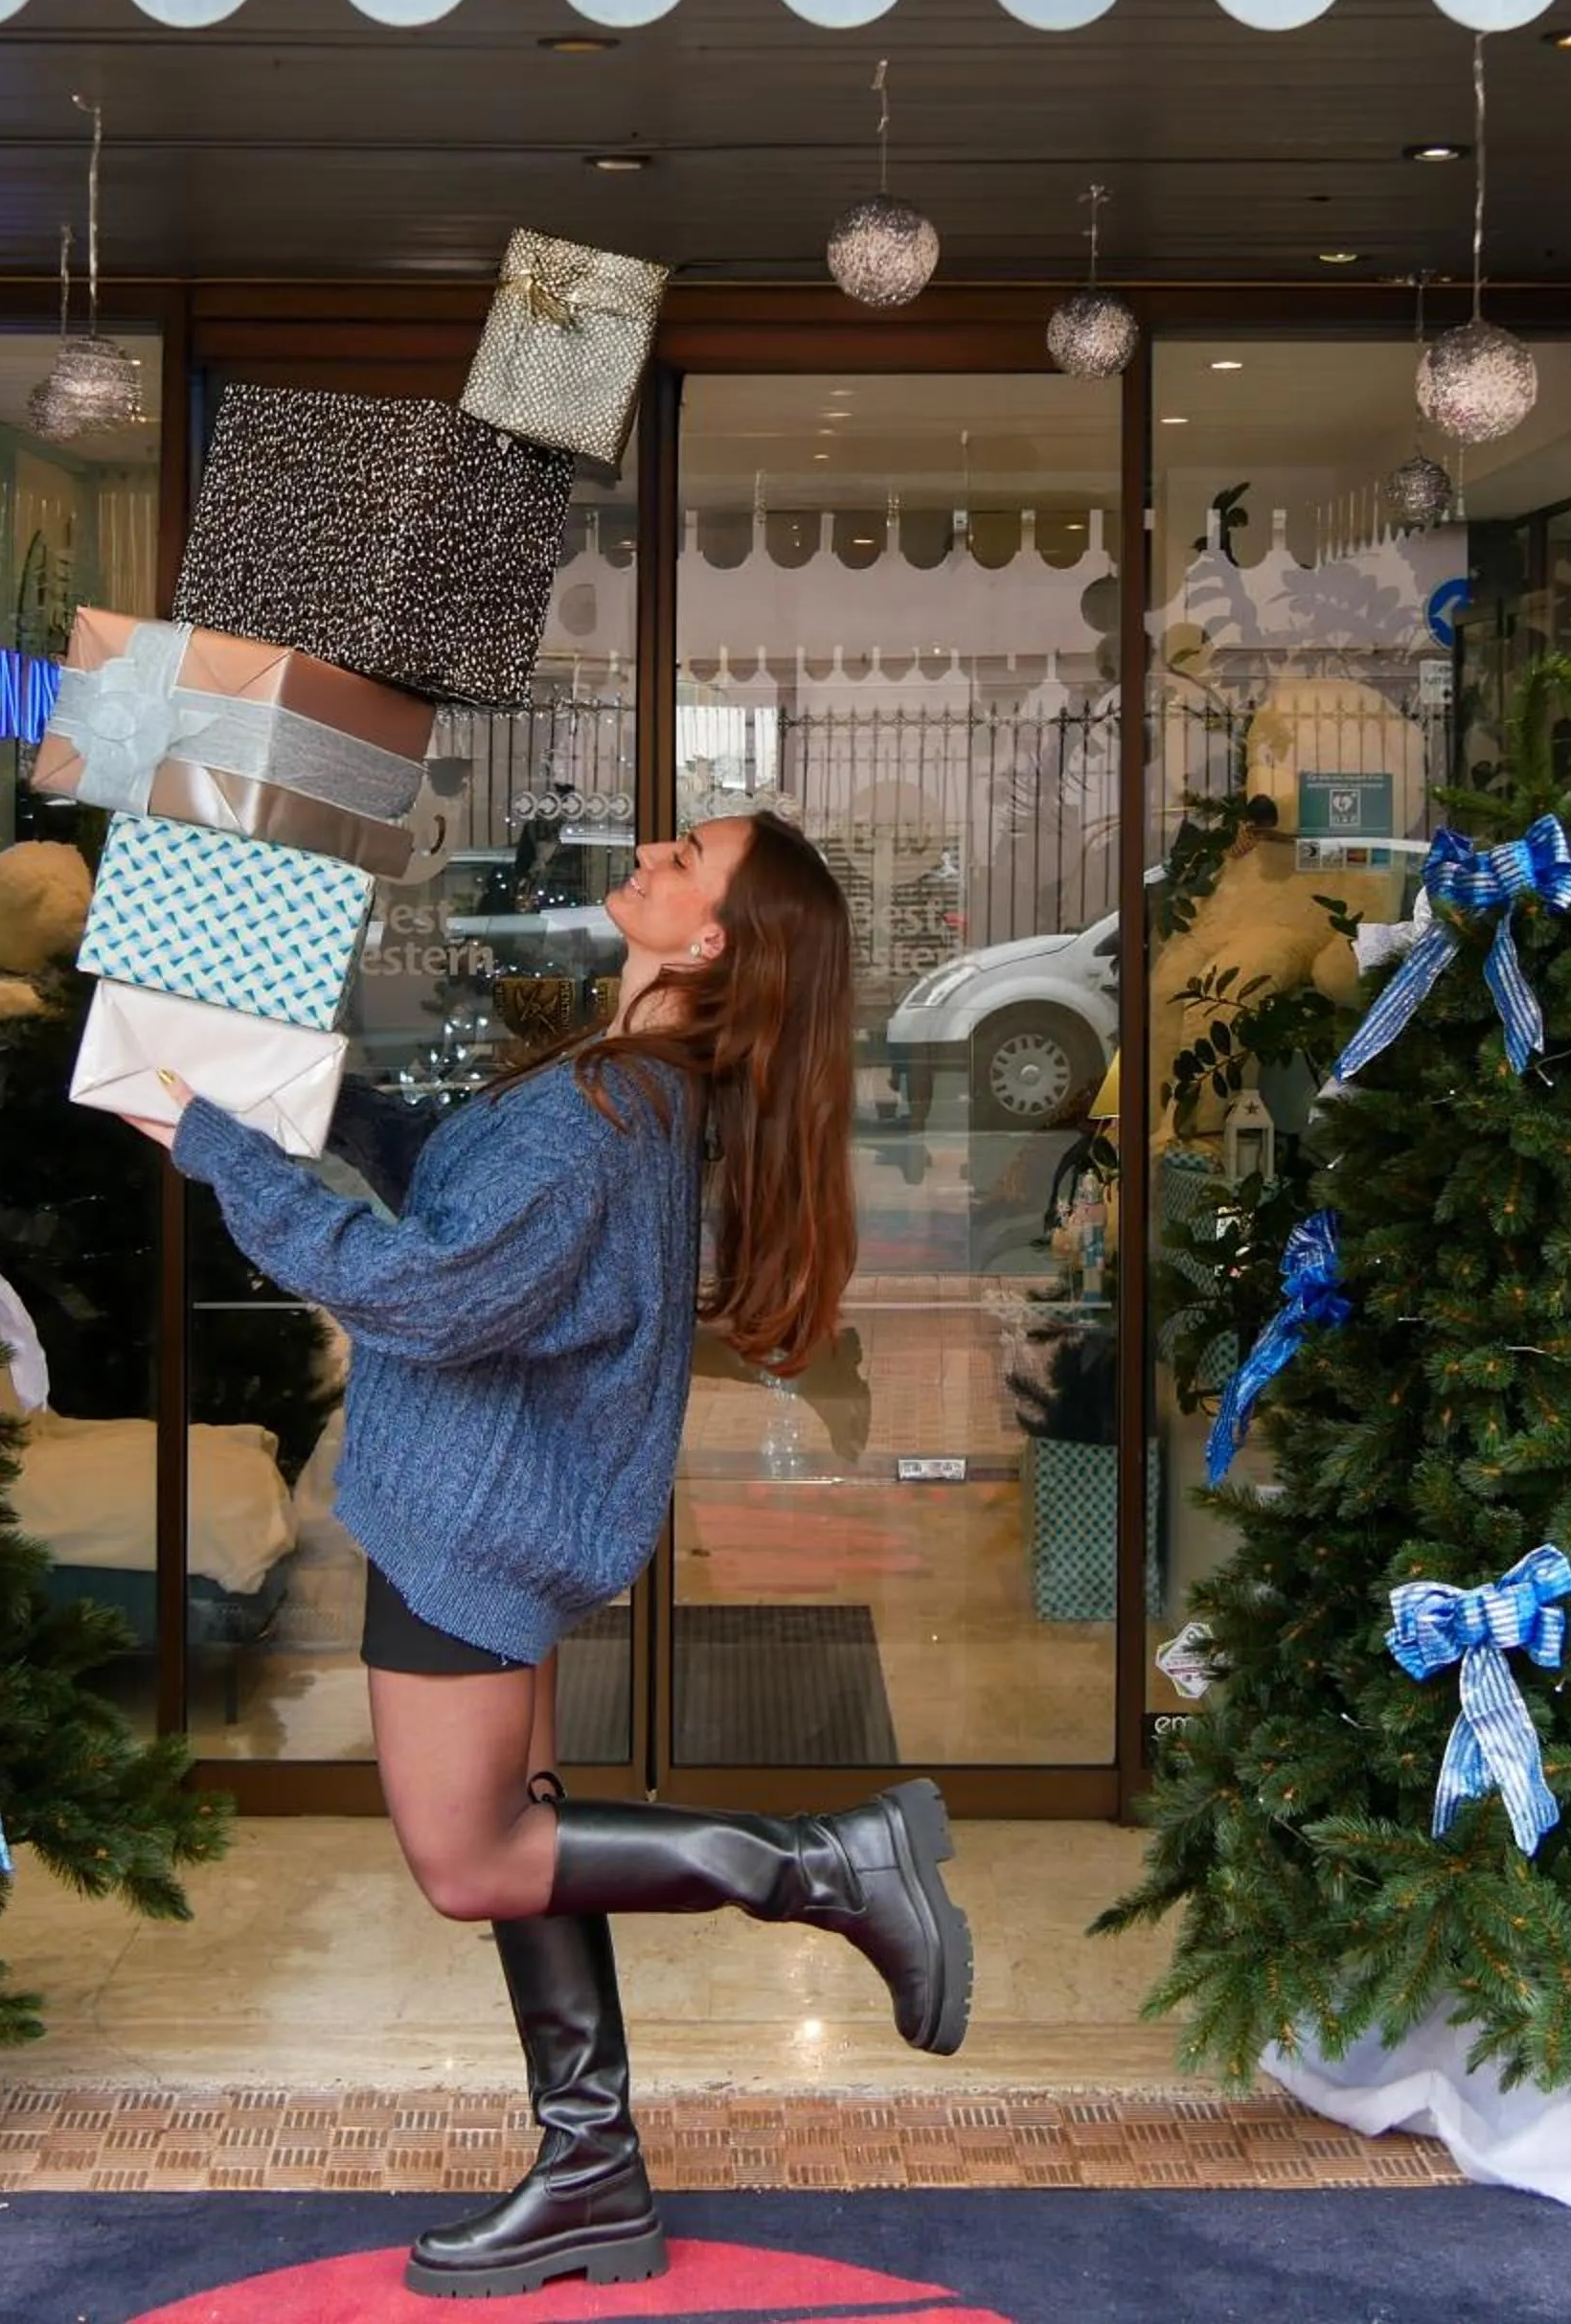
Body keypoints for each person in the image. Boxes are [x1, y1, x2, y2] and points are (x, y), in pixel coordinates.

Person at [146, 809, 972, 2300]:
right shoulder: (610, 1083)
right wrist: (305, 1099)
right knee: (532, 1845)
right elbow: (458, 1188)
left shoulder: (610, 1116)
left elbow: (435, 1293)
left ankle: (826, 1865)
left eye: (686, 862)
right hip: (485, 1508)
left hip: (472, 1525)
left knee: (473, 1861)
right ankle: (590, 2170)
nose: (650, 854)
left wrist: (220, 1153)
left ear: (710, 942)